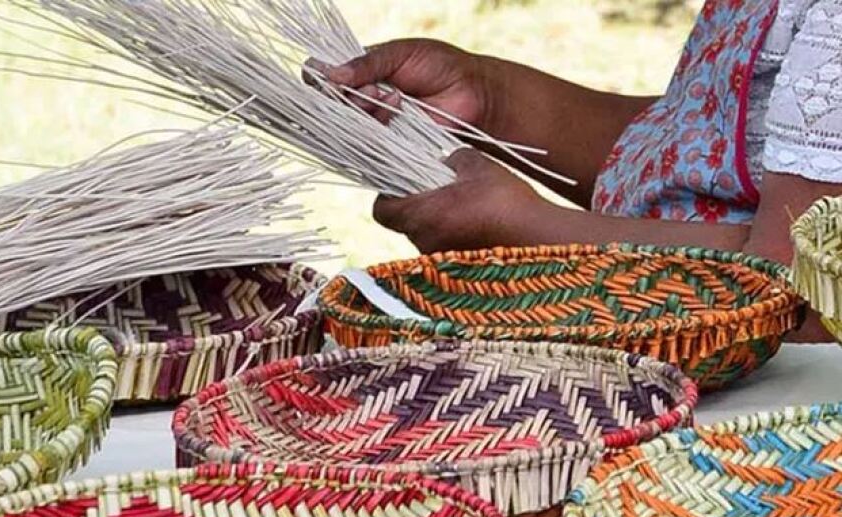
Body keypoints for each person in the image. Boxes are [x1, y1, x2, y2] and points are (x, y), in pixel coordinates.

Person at [320, 0, 841, 342]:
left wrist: (514, 228)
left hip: (768, 419)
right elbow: (701, 154)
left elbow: (804, 294)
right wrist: (490, 100)